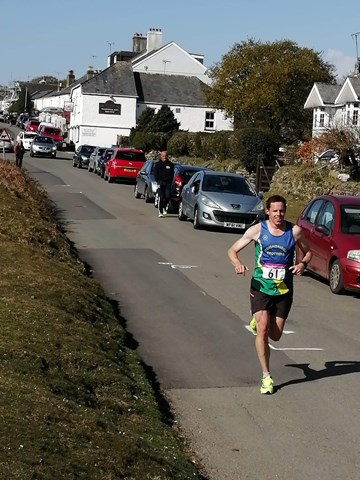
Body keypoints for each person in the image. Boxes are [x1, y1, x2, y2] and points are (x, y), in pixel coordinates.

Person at [227, 195, 312, 395]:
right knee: (263, 330)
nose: (278, 215)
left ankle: (260, 322)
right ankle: (266, 376)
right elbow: (232, 250)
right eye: (274, 211)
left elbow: (308, 252)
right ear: (267, 211)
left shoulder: (294, 231)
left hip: (283, 289)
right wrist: (237, 264)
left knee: (276, 335)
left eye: (281, 211)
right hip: (260, 286)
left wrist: (302, 264)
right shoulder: (257, 230)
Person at [154, 150, 174, 217]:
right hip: (160, 183)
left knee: (167, 196)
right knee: (161, 197)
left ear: (167, 156)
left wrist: (170, 181)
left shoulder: (170, 164)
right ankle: (160, 211)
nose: (164, 157)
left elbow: (172, 174)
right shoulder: (158, 164)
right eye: (163, 156)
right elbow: (155, 174)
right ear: (161, 156)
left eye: (165, 156)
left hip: (168, 183)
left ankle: (164, 207)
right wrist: (158, 181)